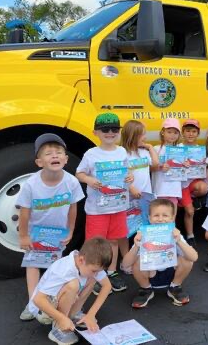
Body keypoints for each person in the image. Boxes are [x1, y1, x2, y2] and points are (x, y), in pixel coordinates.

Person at [17, 133, 85, 322]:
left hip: (58, 234)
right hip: (36, 233)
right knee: (33, 264)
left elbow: (73, 208)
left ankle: (49, 300)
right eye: (48, 153)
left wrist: (70, 230)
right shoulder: (31, 185)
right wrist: (23, 236)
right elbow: (24, 212)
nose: (54, 155)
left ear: (66, 159)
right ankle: (33, 303)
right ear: (39, 162)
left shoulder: (71, 182)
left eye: (58, 152)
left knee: (55, 266)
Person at [76, 113, 132, 294]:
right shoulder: (91, 154)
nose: (110, 133)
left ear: (119, 132)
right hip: (97, 209)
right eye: (105, 129)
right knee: (95, 243)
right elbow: (79, 173)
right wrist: (89, 180)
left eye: (114, 129)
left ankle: (111, 271)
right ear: (95, 133)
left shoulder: (122, 151)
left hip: (118, 206)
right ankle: (92, 273)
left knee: (114, 240)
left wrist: (130, 177)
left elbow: (127, 171)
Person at [28, 237, 113, 345]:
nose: (96, 273)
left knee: (92, 278)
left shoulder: (89, 262)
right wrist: (61, 319)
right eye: (94, 270)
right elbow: (38, 300)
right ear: (81, 260)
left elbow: (107, 286)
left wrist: (91, 315)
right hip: (42, 310)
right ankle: (59, 328)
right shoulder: (63, 270)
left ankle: (72, 315)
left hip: (58, 300)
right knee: (73, 285)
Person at [122, 198, 198, 308]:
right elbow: (125, 264)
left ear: (172, 218)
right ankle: (146, 289)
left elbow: (194, 258)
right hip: (150, 275)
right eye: (156, 215)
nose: (160, 219)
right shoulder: (143, 235)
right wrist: (136, 246)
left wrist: (179, 241)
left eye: (165, 215)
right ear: (149, 218)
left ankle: (175, 287)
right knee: (136, 260)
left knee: (187, 259)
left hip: (171, 273)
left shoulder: (175, 234)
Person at [120, 120, 159, 273]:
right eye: (142, 134)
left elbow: (155, 164)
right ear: (133, 136)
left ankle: (145, 257)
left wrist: (150, 148)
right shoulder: (122, 154)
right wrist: (131, 188)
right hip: (129, 197)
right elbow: (121, 175)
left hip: (145, 197)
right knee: (125, 229)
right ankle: (126, 261)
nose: (145, 137)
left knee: (145, 227)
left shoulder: (143, 152)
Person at [180, 119, 208, 246]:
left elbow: (203, 169)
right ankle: (190, 235)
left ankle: (193, 198)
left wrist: (204, 164)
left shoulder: (199, 149)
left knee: (204, 188)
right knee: (190, 211)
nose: (190, 134)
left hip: (194, 182)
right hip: (182, 184)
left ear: (198, 133)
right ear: (183, 132)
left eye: (193, 131)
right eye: (187, 131)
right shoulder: (178, 148)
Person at [151, 119, 184, 207]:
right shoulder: (156, 149)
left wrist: (186, 165)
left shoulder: (181, 149)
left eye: (175, 133)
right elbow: (150, 168)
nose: (172, 135)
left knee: (172, 214)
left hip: (174, 191)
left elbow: (185, 168)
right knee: (160, 214)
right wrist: (160, 167)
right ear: (163, 132)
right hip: (159, 190)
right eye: (169, 132)